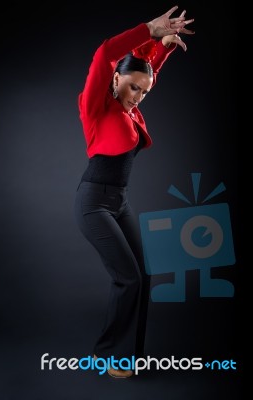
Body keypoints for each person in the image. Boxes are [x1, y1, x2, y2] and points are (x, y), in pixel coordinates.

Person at [74, 5, 194, 378]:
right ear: (114, 81)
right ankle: (108, 355)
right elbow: (108, 54)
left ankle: (128, 355)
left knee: (143, 274)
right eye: (132, 88)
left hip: (118, 202)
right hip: (93, 203)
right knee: (126, 277)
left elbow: (141, 69)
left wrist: (164, 46)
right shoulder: (97, 108)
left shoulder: (131, 109)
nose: (138, 95)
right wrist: (149, 29)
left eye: (144, 91)